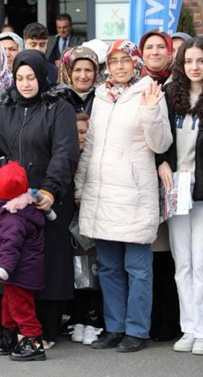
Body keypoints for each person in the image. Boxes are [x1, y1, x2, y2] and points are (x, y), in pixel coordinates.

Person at [74, 40, 171, 353]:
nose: (118, 66)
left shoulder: (149, 91)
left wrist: (151, 110)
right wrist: (80, 186)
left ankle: (137, 329)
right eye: (113, 61)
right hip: (101, 193)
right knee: (109, 268)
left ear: (135, 63)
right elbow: (90, 147)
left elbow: (160, 143)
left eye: (124, 60)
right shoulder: (102, 96)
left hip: (134, 194)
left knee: (139, 269)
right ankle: (114, 327)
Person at [0, 49, 79, 348]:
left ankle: (43, 331)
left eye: (31, 77)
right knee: (9, 261)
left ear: (42, 76)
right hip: (6, 199)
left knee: (42, 265)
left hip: (43, 199)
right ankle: (12, 330)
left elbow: (65, 151)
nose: (25, 84)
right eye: (20, 77)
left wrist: (51, 189)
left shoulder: (58, 107)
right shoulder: (1, 105)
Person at [157, 37, 203, 354]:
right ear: (181, 64)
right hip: (176, 189)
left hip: (201, 190)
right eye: (189, 61)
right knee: (182, 264)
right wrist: (161, 162)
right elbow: (159, 138)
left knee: (200, 264)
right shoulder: (170, 95)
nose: (195, 67)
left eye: (200, 61)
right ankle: (189, 328)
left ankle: (202, 329)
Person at [139, 30, 180, 342]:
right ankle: (155, 321)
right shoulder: (135, 86)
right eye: (148, 47)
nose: (154, 52)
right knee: (152, 253)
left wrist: (164, 159)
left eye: (159, 47)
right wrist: (157, 161)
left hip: (176, 181)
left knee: (174, 254)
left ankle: (176, 321)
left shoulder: (178, 86)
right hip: (143, 181)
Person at [0, 161, 47, 362]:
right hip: (19, 272)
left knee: (21, 308)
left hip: (19, 272)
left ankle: (32, 340)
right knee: (9, 305)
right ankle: (11, 335)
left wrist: (2, 269)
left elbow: (10, 247)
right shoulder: (22, 209)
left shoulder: (12, 219)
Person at [69, 112, 104, 346]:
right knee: (77, 273)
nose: (80, 137)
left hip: (96, 221)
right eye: (76, 133)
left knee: (96, 272)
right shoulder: (66, 157)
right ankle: (78, 318)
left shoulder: (97, 157)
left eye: (83, 132)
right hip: (72, 226)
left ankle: (94, 320)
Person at [59, 46, 100, 114]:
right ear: (68, 73)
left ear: (96, 72)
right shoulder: (58, 100)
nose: (83, 76)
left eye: (88, 70)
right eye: (77, 70)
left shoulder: (103, 98)